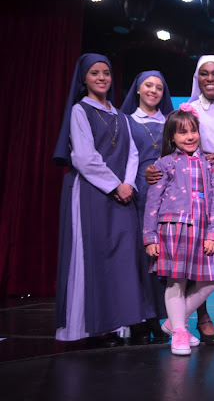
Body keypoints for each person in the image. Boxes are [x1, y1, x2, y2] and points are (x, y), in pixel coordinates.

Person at [149, 55, 214, 344]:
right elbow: (156, 196)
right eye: (204, 74)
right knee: (185, 271)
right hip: (185, 206)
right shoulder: (188, 112)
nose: (211, 79)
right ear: (197, 78)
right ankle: (191, 324)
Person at [53, 53, 146, 347]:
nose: (102, 78)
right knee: (92, 258)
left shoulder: (121, 116)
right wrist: (115, 185)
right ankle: (89, 328)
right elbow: (83, 157)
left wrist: (128, 183)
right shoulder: (80, 111)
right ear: (84, 78)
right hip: (91, 193)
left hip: (122, 194)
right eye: (95, 73)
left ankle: (115, 324)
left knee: (120, 260)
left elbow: (133, 154)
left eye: (106, 73)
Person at [143, 104, 214, 356]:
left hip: (203, 230)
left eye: (193, 131)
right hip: (173, 229)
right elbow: (152, 202)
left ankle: (173, 322)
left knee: (211, 280)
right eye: (182, 132)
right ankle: (180, 331)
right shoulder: (164, 164)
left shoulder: (210, 164)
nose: (190, 137)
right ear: (172, 137)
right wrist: (150, 237)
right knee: (176, 281)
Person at [120, 70, 174, 345]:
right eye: (148, 86)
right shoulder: (126, 121)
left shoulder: (170, 122)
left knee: (159, 258)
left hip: (167, 196)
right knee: (138, 257)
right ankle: (138, 318)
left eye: (159, 87)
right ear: (138, 90)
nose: (153, 91)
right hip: (137, 195)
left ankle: (156, 317)